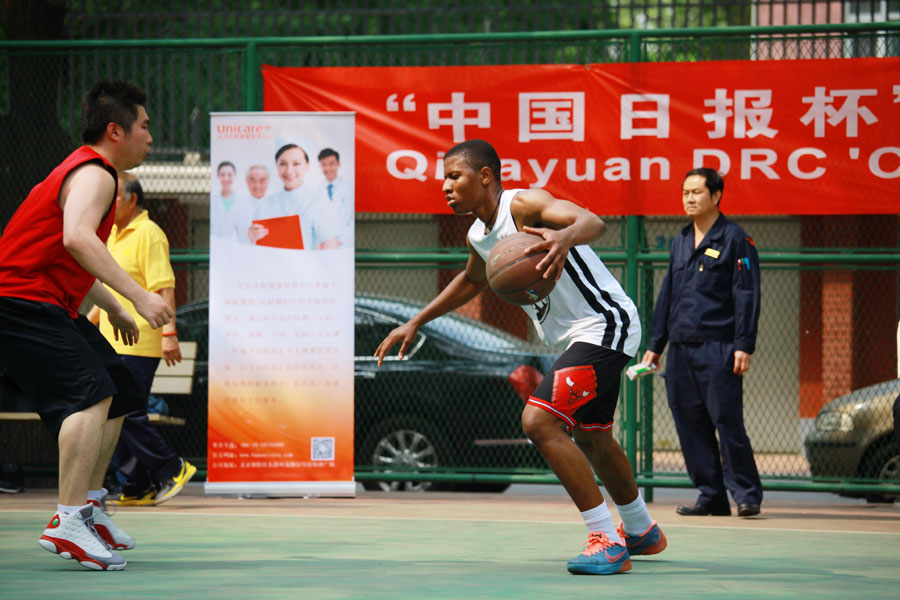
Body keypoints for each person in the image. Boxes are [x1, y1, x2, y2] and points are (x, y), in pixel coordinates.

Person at [375, 139, 666, 576]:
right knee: (593, 437)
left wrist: (564, 237)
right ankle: (641, 530)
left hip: (605, 325)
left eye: (454, 176)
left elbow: (592, 221)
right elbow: (472, 281)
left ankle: (605, 539)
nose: (445, 186)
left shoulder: (525, 205)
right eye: (444, 179)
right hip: (580, 337)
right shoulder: (479, 235)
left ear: (484, 176)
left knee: (538, 421)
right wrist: (416, 321)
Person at [0, 80, 173, 571]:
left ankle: (90, 507)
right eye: (144, 126)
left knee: (118, 388)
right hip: (19, 301)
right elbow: (78, 238)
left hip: (44, 301)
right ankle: (68, 519)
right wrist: (139, 296)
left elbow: (69, 253)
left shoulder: (87, 172)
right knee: (89, 392)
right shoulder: (96, 174)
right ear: (116, 130)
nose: (150, 136)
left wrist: (113, 307)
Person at [641, 167, 763, 518]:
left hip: (719, 346)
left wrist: (743, 344)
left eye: (696, 192)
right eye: (685, 193)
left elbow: (746, 293)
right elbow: (668, 295)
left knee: (727, 421)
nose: (689, 199)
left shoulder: (735, 239)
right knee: (690, 423)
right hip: (680, 349)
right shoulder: (680, 241)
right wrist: (656, 345)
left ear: (716, 196)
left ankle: (746, 494)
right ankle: (711, 495)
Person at [86, 172, 197, 507]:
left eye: (114, 198)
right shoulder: (110, 235)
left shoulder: (150, 234)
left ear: (132, 199)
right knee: (113, 413)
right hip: (110, 340)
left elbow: (164, 288)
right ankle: (137, 485)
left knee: (129, 412)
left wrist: (169, 334)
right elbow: (108, 291)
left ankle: (172, 468)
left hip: (139, 340)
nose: (107, 205)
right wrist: (87, 323)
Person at [248, 143, 341, 249]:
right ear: (277, 166)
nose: (289, 171)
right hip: (270, 260)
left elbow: (329, 247)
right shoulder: (265, 204)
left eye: (296, 163)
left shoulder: (318, 201)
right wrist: (253, 238)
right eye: (283, 164)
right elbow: (258, 249)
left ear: (307, 166)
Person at [317, 148, 353, 246]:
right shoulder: (318, 190)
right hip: (324, 245)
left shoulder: (350, 188)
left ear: (338, 164)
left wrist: (340, 241)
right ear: (320, 166)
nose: (328, 168)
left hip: (345, 244)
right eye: (324, 164)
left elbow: (353, 219)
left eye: (331, 164)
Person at [210, 161, 253, 241]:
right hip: (216, 245)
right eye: (222, 175)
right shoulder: (212, 201)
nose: (226, 178)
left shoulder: (242, 203)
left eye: (229, 175)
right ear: (218, 176)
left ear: (234, 176)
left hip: (235, 246)